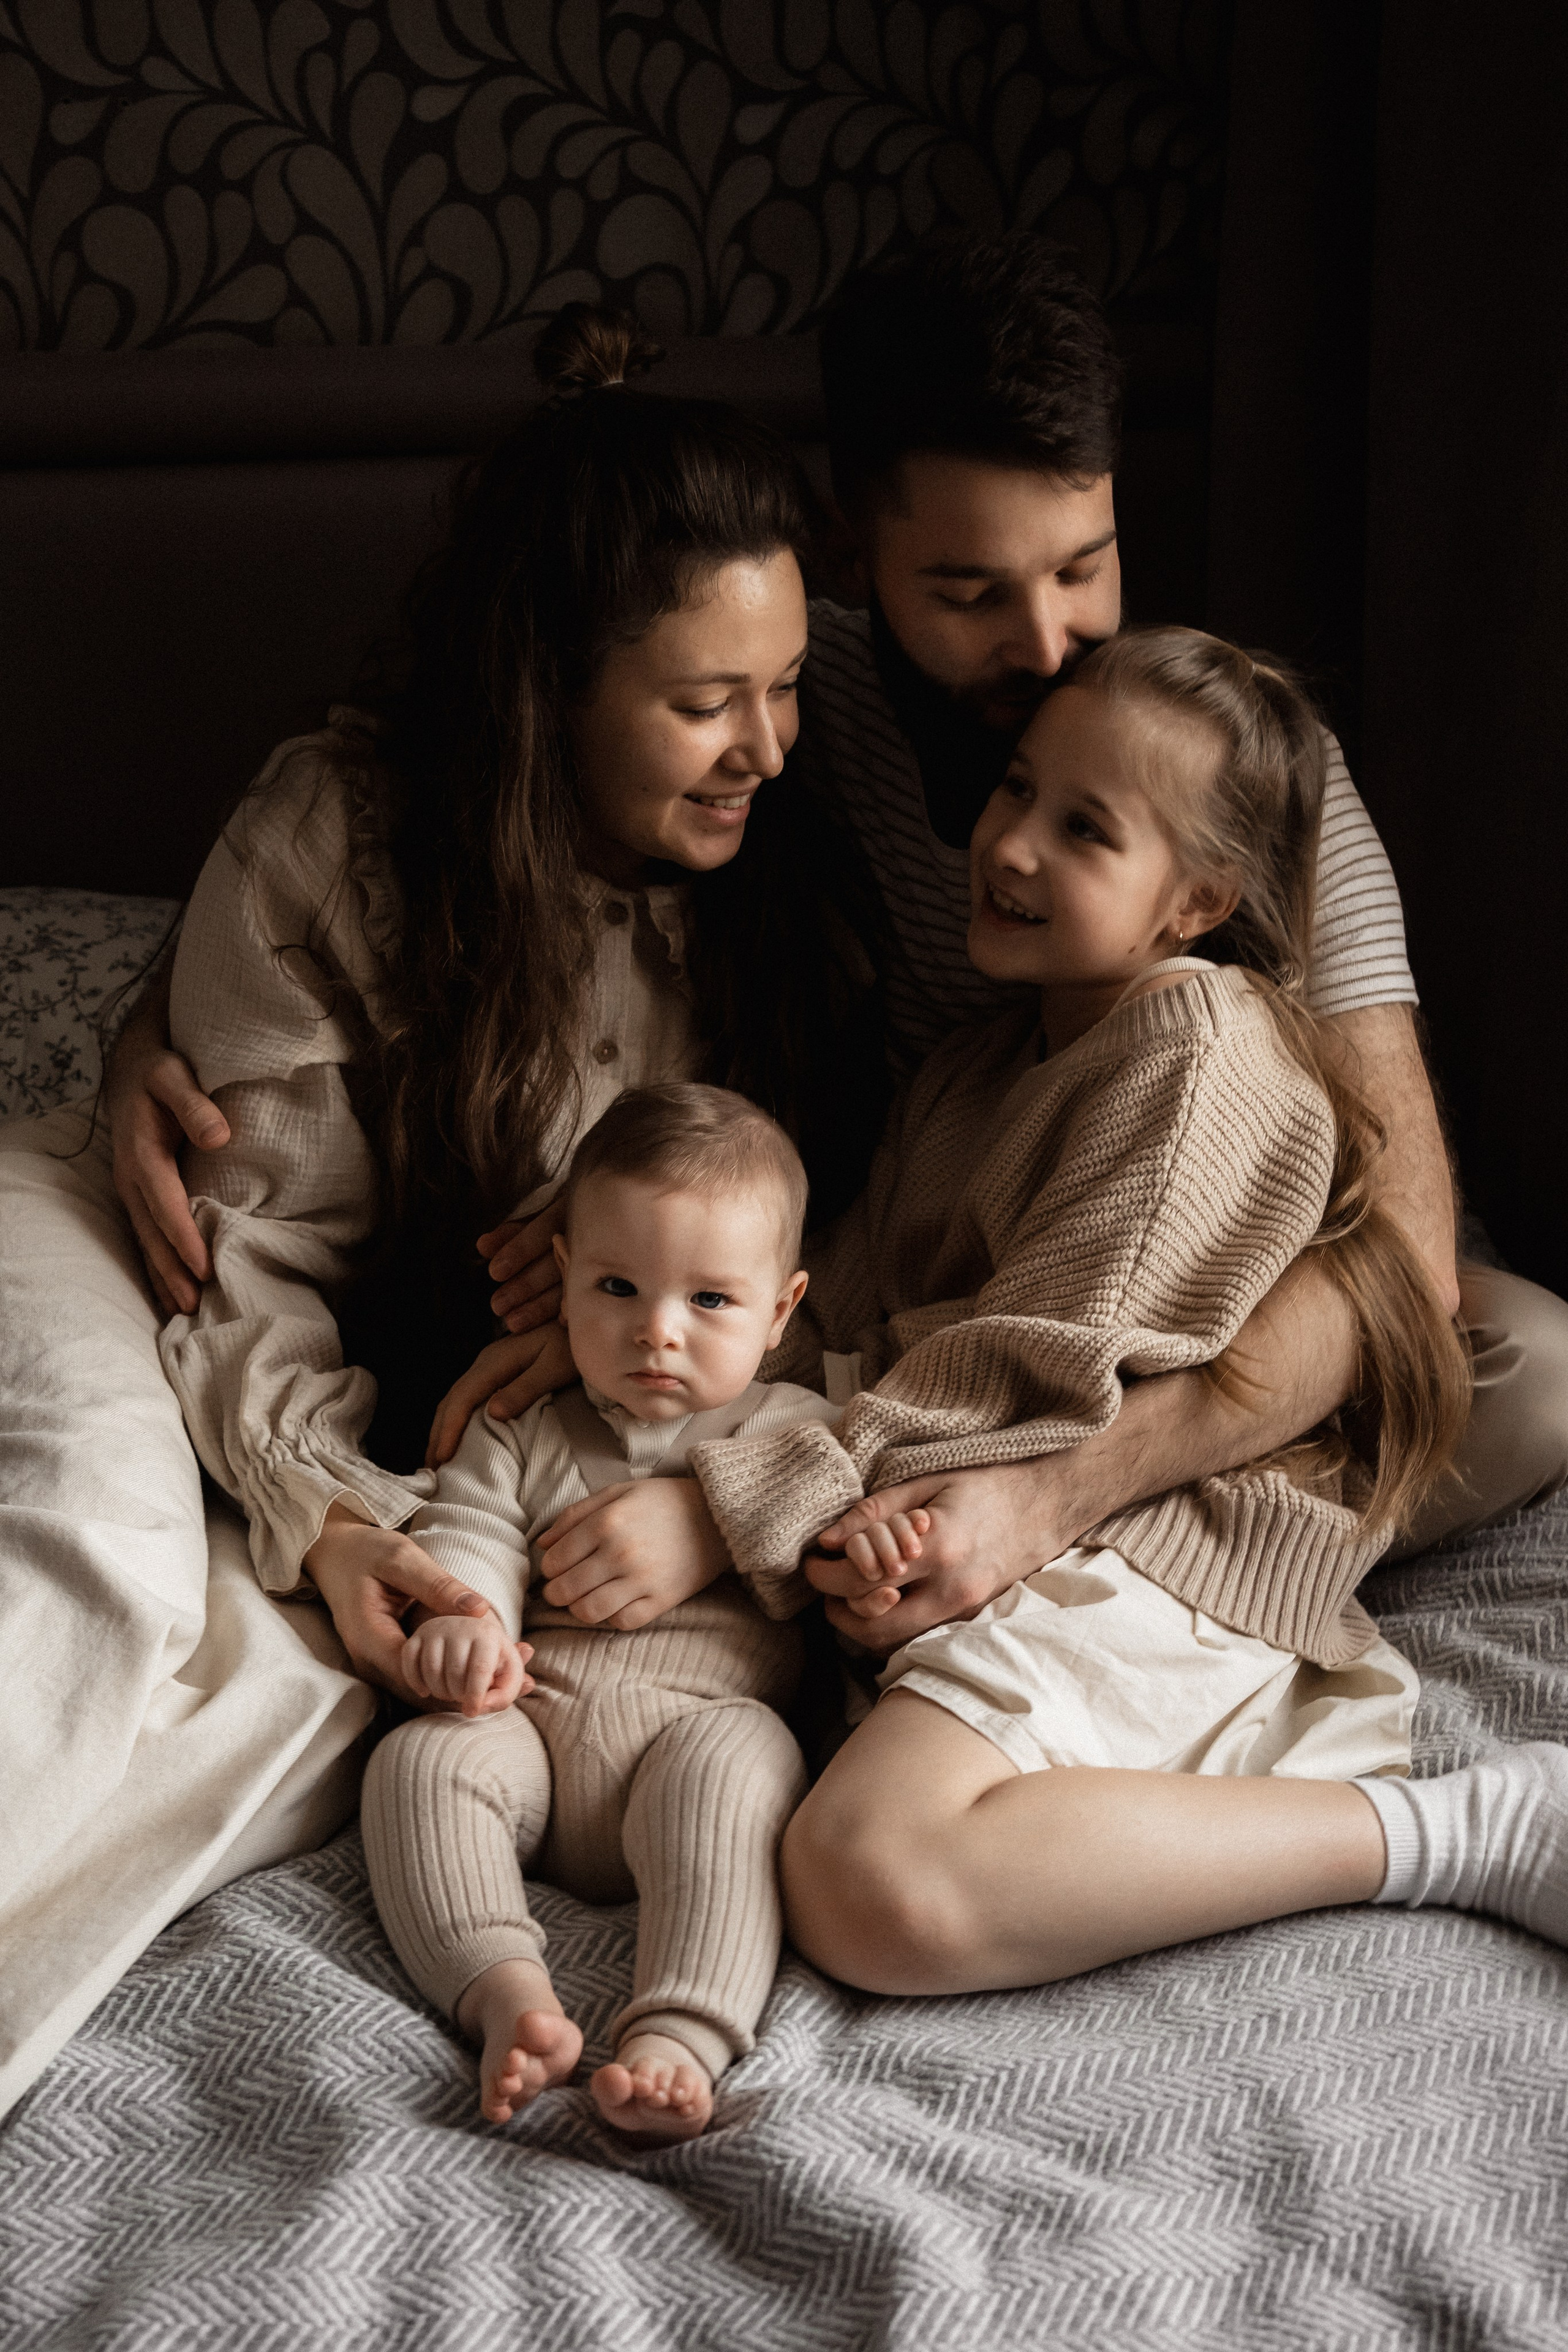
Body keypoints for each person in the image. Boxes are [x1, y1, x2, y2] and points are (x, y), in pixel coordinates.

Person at [114, 237, 1566, 1667]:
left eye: (1083, 566)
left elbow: (1399, 1256)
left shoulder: (1234, 770)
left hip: (1177, 1324)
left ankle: (1039, 1555)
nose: (1051, 648)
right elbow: (402, 839)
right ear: (854, 560)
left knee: (1532, 1374)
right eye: (969, 592)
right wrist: (144, 1024)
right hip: (900, 1318)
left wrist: (1039, 1497)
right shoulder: (799, 718)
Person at [0, 303, 875, 2116]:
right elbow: (245, 1264)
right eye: (708, 702)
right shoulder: (343, 841)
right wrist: (328, 1518)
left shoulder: (799, 871)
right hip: (143, 1239)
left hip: (469, 1421)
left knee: (294, 1720)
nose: (768, 749)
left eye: (787, 685)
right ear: (549, 688)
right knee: (112, 1551)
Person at [687, 626, 1568, 1995]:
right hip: (999, 1518)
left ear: (1196, 901)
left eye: (1083, 828)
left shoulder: (1195, 1047)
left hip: (1159, 1534)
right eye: (1014, 791)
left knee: (867, 1878)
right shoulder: (973, 1073)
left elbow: (1029, 1378)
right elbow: (838, 1327)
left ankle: (1458, 1830)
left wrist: (731, 1503)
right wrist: (654, 1364)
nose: (1013, 846)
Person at [360, 1085, 834, 2139]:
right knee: (420, 1764)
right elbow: (469, 1526)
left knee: (737, 1766)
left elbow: (828, 1543)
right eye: (618, 1285)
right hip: (531, 1730)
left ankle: (679, 2035)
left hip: (688, 1738)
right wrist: (467, 1622)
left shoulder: (796, 1434)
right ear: (565, 1274)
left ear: (784, 1311)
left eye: (711, 1301)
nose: (657, 1333)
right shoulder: (523, 1424)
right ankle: (503, 1995)